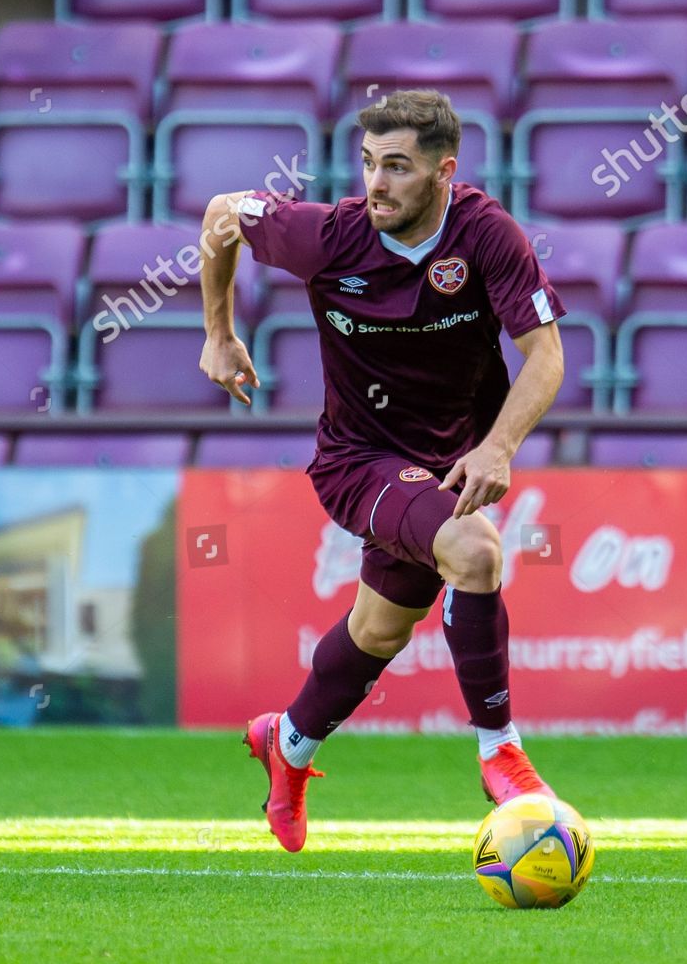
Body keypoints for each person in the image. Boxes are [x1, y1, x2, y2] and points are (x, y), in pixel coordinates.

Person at [197, 89, 567, 853]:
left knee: (378, 628)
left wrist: (497, 447)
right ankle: (501, 751)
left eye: (396, 167)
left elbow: (547, 356)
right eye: (368, 164)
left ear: (443, 172)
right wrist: (219, 334)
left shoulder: (487, 236)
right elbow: (220, 215)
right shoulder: (327, 236)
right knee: (476, 551)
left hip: (446, 463)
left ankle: (287, 746)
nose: (377, 183)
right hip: (358, 460)